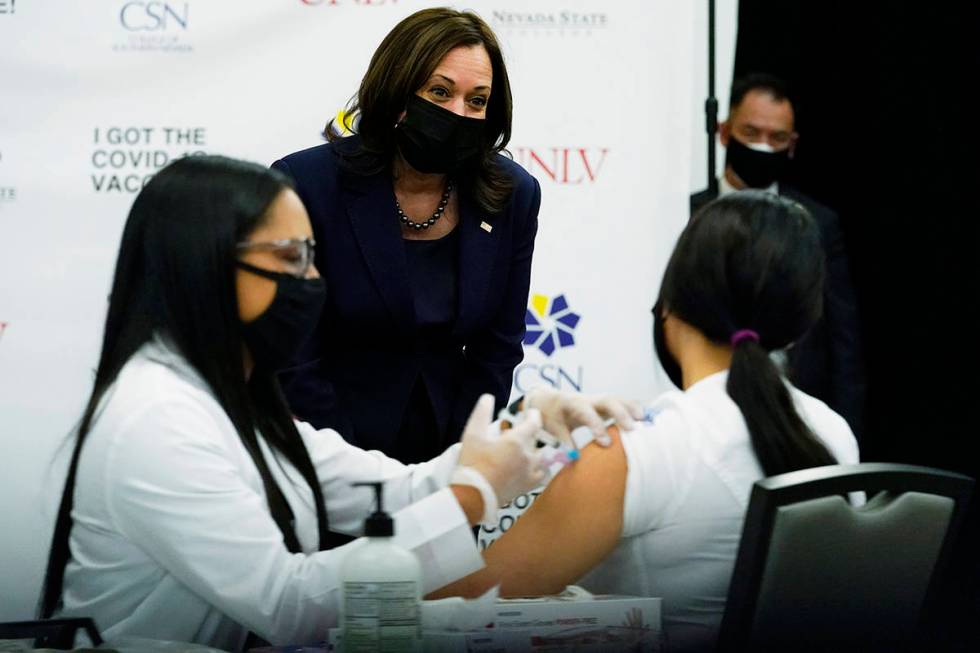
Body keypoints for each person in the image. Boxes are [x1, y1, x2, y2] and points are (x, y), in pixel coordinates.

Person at [38, 156, 631, 651]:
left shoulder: (233, 400)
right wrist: (471, 497)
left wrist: (528, 431)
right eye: (292, 257)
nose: (314, 279)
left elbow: (392, 492)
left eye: (313, 255)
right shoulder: (157, 416)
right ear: (208, 265)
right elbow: (285, 602)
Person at [433, 192, 861, 652]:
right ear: (800, 318)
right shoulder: (835, 435)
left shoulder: (637, 450)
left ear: (671, 303)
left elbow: (455, 600)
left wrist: (465, 492)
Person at [271, 8, 541, 463]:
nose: (459, 112)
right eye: (440, 92)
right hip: (327, 446)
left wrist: (460, 462)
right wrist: (350, 466)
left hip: (451, 448)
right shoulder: (305, 184)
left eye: (477, 101)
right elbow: (293, 349)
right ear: (397, 91)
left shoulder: (512, 194)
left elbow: (497, 349)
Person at [690, 73, 865, 439]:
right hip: (700, 414)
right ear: (724, 132)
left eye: (777, 138)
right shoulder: (691, 212)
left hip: (794, 417)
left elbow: (842, 340)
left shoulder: (817, 223)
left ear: (793, 144)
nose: (763, 147)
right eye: (751, 134)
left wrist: (845, 433)